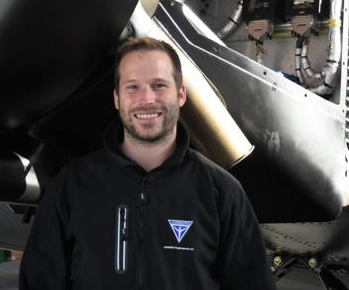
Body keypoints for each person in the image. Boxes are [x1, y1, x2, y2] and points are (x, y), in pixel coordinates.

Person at [19, 37, 275, 289]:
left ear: (181, 94)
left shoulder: (222, 193)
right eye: (133, 87)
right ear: (117, 98)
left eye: (159, 85)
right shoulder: (72, 186)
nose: (147, 99)